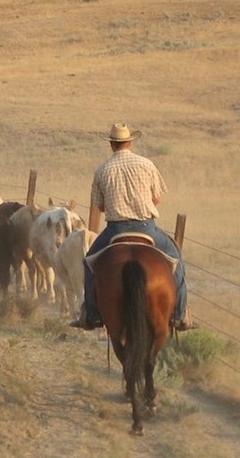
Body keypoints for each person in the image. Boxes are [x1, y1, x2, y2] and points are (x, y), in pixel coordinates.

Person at [70, 123, 192, 331]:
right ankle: (179, 314)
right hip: (146, 227)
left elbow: (100, 206)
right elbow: (157, 198)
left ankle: (92, 314)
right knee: (176, 258)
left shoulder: (102, 170)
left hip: (115, 230)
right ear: (129, 143)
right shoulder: (146, 164)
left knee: (89, 263)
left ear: (112, 144)